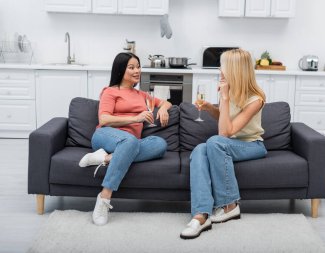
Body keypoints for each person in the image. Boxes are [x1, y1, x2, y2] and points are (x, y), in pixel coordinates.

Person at [180, 49, 267, 239]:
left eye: (223, 65)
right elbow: (226, 123)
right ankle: (201, 214)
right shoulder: (231, 91)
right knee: (200, 149)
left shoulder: (255, 99)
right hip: (229, 143)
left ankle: (230, 205)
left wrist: (225, 97)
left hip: (252, 145)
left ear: (235, 70)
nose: (220, 69)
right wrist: (211, 108)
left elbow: (225, 132)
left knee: (215, 142)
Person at [79, 52, 172, 226]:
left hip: (129, 143)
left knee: (160, 144)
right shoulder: (110, 91)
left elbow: (166, 102)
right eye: (131, 67)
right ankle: (104, 197)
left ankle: (104, 158)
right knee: (129, 141)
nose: (137, 70)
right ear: (121, 70)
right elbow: (104, 119)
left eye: (138, 67)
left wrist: (164, 109)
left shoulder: (142, 95)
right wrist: (136, 119)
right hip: (106, 135)